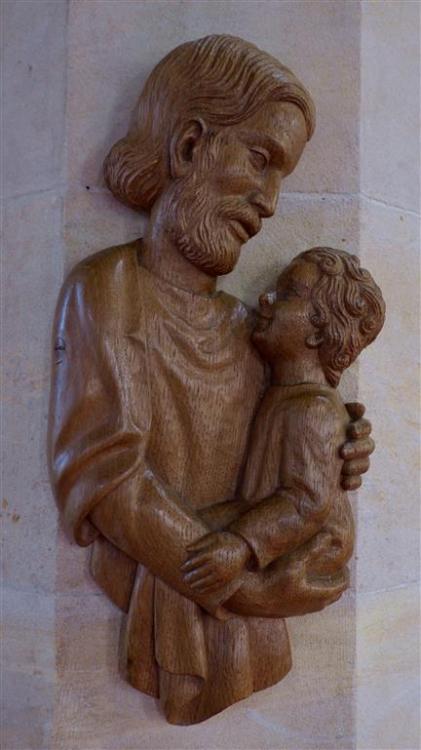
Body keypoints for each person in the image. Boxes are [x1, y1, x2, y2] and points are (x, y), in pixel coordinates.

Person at [49, 36, 374, 724]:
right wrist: (234, 579)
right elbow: (107, 473)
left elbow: (298, 463)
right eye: (261, 160)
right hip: (188, 602)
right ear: (190, 146)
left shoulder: (251, 330)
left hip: (237, 613)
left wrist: (340, 443)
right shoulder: (110, 290)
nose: (269, 202)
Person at [182, 248, 385, 617]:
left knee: (202, 575)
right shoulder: (285, 394)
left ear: (319, 331)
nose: (266, 298)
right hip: (269, 524)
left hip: (309, 551)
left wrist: (241, 544)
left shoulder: (313, 409)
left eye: (288, 293)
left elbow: (305, 502)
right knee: (186, 542)